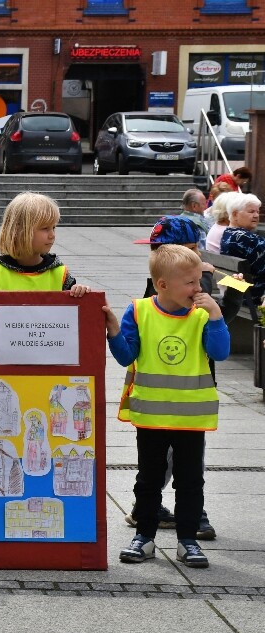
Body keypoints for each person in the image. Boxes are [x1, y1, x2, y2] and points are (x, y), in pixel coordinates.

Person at [104, 244, 229, 568]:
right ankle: (144, 536)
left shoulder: (202, 314)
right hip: (152, 416)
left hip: (190, 417)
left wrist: (216, 315)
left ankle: (187, 540)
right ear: (162, 285)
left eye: (199, 281)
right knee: (148, 479)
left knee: (190, 482)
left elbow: (220, 352)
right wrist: (114, 329)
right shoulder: (140, 310)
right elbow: (126, 356)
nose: (198, 288)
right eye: (190, 282)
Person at [128, 217, 218, 539]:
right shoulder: (177, 288)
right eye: (192, 248)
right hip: (167, 394)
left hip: (191, 393)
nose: (198, 255)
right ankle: (164, 514)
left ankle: (190, 517)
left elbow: (216, 337)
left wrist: (223, 304)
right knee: (165, 464)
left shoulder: (187, 280)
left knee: (188, 466)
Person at [0, 192, 89, 296]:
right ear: (19, 230)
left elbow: (76, 320)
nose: (52, 235)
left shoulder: (61, 274)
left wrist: (81, 293)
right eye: (45, 228)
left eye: (54, 227)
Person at [219, 192, 264, 311]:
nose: (256, 215)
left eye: (257, 212)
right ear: (235, 214)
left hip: (240, 296)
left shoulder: (228, 234)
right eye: (251, 212)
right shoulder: (247, 239)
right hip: (255, 298)